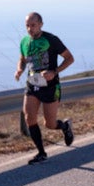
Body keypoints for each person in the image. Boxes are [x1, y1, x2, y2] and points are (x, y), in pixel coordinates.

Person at [14, 12, 75, 165]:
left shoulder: (51, 40)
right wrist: (20, 70)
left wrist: (54, 72)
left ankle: (65, 126)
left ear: (41, 24)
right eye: (27, 26)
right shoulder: (24, 42)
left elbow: (70, 58)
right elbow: (22, 59)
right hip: (33, 84)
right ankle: (41, 153)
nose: (29, 29)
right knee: (29, 118)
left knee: (50, 124)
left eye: (33, 25)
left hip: (50, 86)